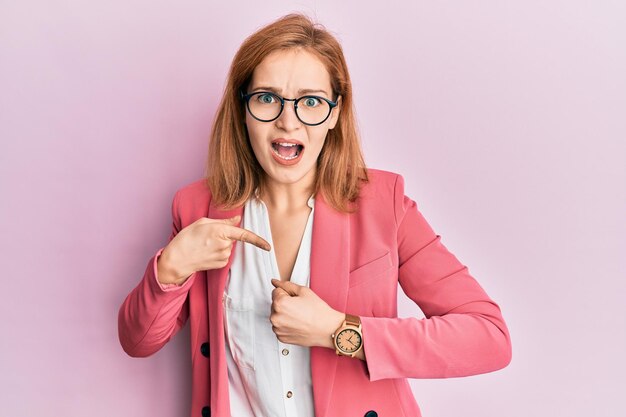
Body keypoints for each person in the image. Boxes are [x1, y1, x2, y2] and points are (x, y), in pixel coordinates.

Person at [117, 12, 512, 417]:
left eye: (310, 102)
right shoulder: (196, 207)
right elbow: (138, 340)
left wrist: (338, 332)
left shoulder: (384, 205)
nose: (288, 122)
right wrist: (170, 269)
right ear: (244, 110)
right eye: (267, 98)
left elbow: (488, 337)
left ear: (335, 114)